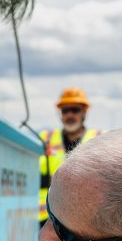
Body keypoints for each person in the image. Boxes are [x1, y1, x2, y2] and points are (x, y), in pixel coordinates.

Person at [38, 87, 100, 222]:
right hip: (47, 216)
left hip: (84, 218)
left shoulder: (98, 139)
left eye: (75, 110)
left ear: (84, 113)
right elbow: (31, 172)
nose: (69, 115)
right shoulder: (45, 138)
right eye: (65, 111)